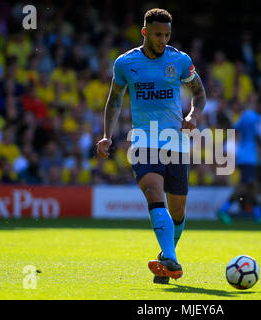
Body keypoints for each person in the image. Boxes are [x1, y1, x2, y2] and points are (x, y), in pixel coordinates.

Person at [96, 8, 206, 284]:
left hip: (176, 142)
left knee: (178, 210)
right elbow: (115, 100)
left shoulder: (180, 61)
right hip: (144, 139)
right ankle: (171, 261)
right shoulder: (125, 63)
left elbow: (199, 94)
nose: (163, 40)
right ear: (145, 32)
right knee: (153, 191)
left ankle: (165, 256)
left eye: (167, 35)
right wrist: (107, 135)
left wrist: (192, 116)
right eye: (158, 34)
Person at [216, 102, 261, 225]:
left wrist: (222, 143)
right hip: (250, 158)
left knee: (252, 186)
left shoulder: (243, 117)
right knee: (244, 186)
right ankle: (223, 210)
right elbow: (257, 137)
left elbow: (233, 130)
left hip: (243, 156)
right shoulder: (254, 117)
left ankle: (258, 215)